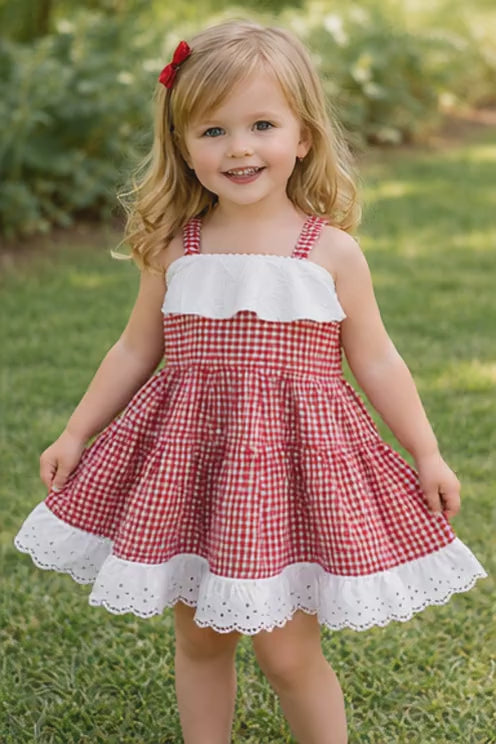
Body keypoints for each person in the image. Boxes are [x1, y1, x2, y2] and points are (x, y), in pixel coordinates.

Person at [15, 19, 486, 744]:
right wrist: (77, 432)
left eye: (262, 125)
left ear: (303, 137)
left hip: (291, 473)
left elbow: (378, 360)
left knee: (288, 653)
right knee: (201, 639)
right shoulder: (175, 249)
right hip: (192, 465)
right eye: (213, 131)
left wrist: (426, 452)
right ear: (183, 147)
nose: (238, 147)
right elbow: (135, 348)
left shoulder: (330, 253)